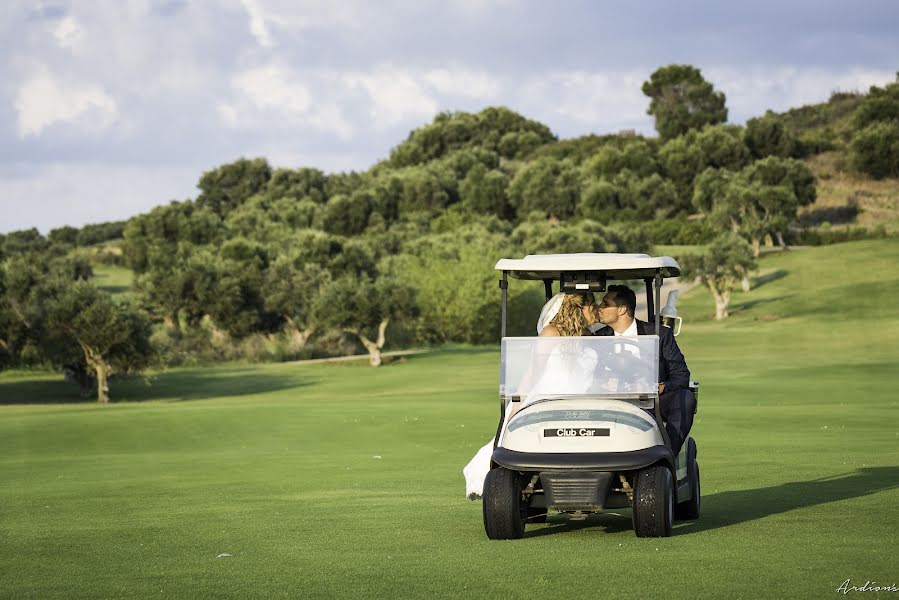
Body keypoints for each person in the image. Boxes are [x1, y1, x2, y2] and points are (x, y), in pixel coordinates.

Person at [463, 292, 595, 498]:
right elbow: (534, 370)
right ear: (578, 309)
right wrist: (517, 401)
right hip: (548, 393)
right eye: (591, 306)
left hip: (582, 396)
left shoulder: (588, 336)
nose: (595, 310)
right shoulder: (551, 333)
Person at [589, 284, 696, 455]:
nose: (599, 308)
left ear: (622, 309)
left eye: (605, 303)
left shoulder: (659, 335)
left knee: (686, 398)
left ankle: (667, 455)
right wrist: (604, 383)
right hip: (612, 403)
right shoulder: (598, 339)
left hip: (651, 403)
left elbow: (681, 376)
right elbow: (591, 377)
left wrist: (660, 387)